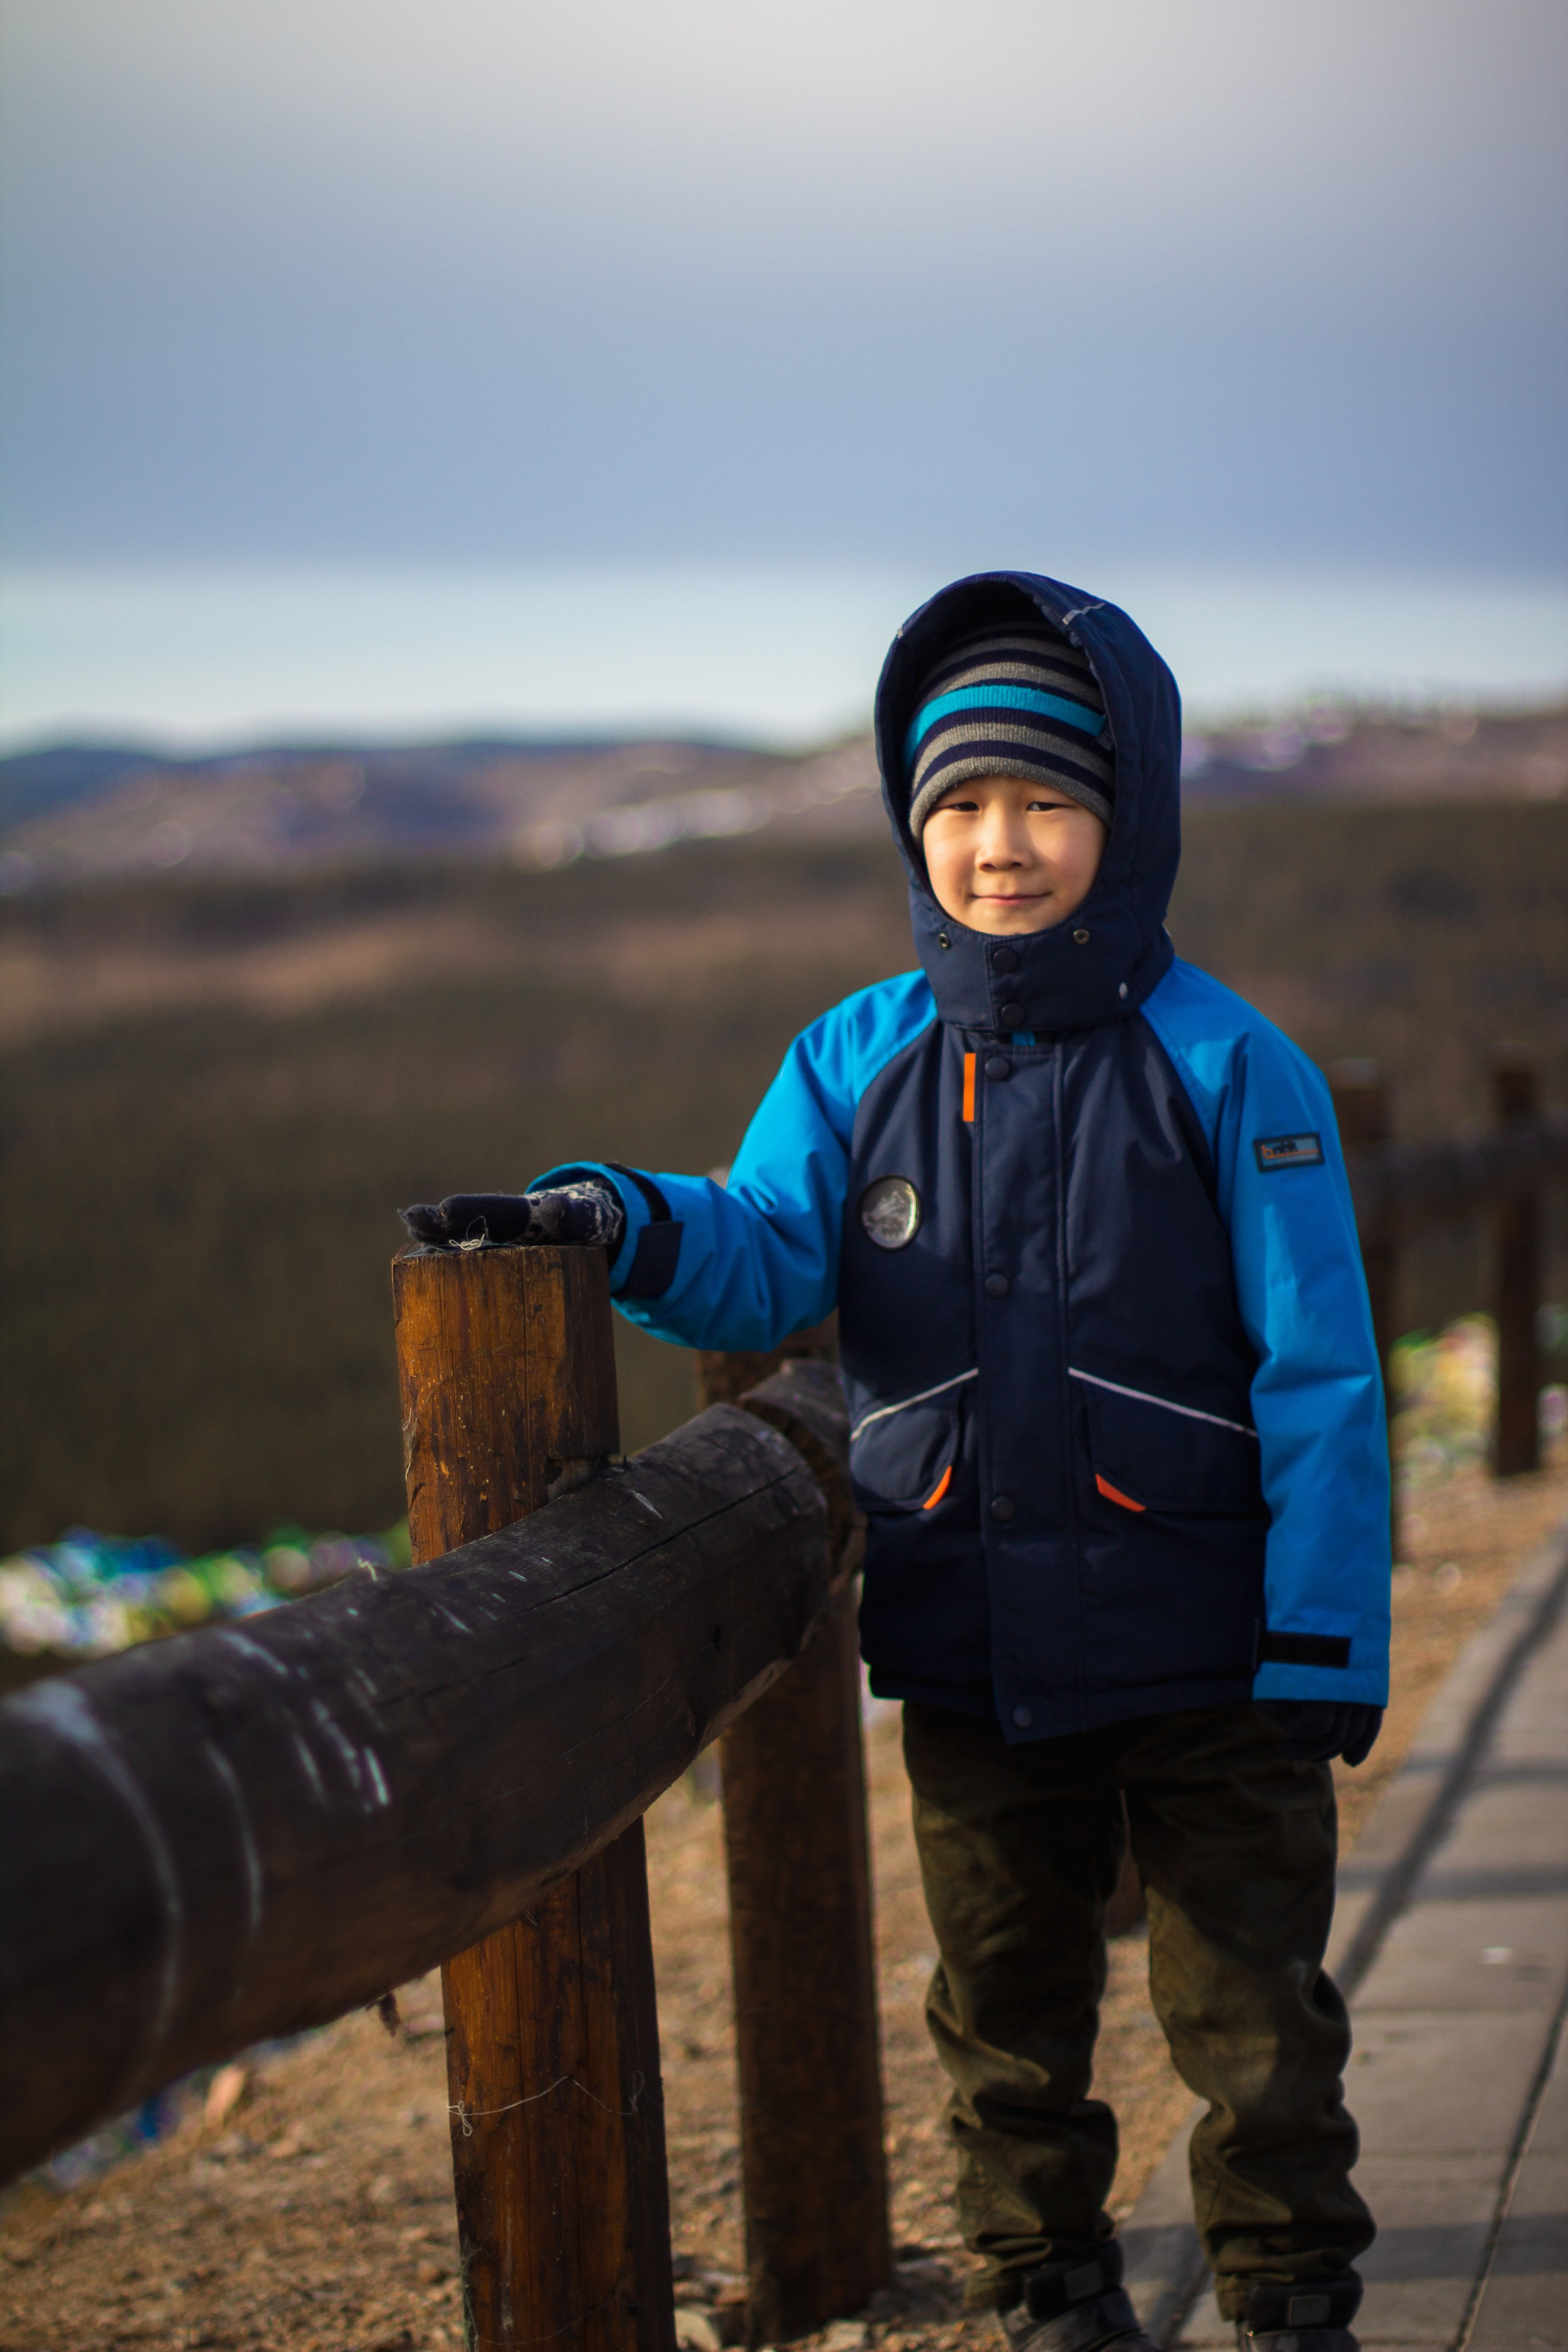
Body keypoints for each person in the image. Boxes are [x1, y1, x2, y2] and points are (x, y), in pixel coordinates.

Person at [402, 571, 1390, 2352]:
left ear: (1125, 815)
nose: (998, 846)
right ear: (911, 827)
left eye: (1043, 802)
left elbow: (1322, 1371)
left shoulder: (1234, 1067)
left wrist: (1327, 1631)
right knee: (1003, 2003)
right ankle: (1043, 2286)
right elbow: (769, 1246)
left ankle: (1288, 2285)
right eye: (957, 807)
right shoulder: (855, 1059)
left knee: (1249, 2002)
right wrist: (605, 1219)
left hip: (1217, 1645)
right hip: (972, 1637)